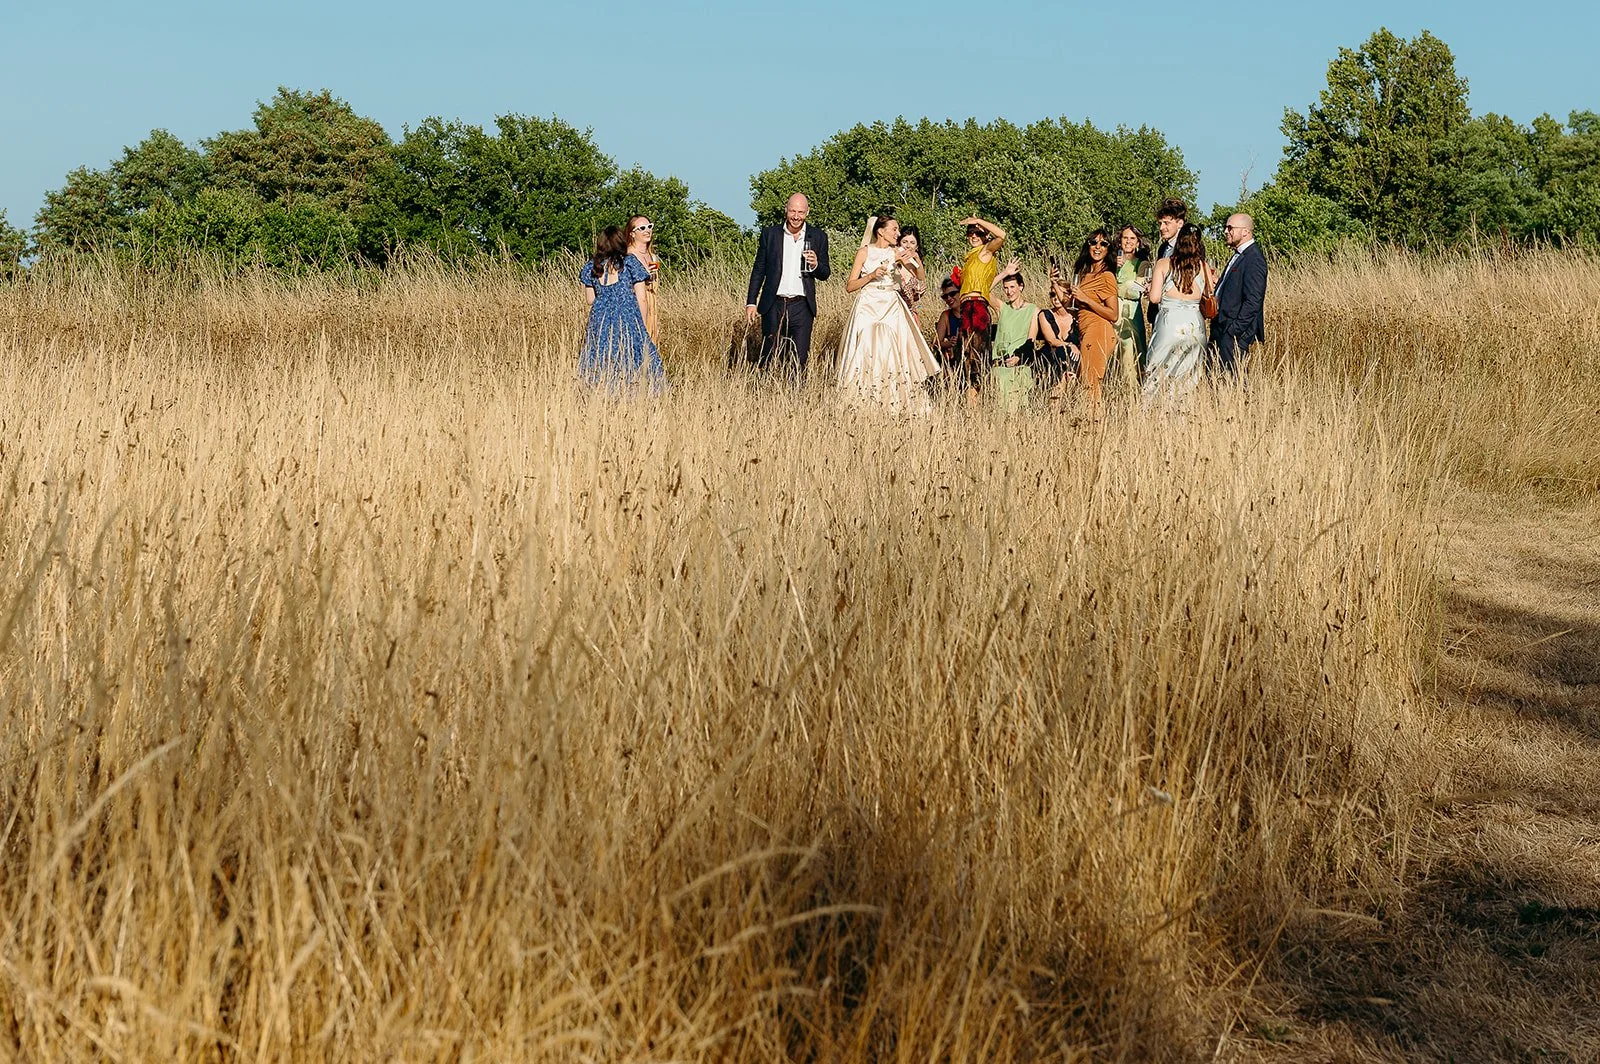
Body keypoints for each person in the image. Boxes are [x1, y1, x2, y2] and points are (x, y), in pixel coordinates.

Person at [835, 211, 940, 411]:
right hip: (867, 305)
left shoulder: (896, 252)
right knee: (865, 349)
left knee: (894, 349)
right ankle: (861, 402)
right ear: (881, 232)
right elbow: (850, 285)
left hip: (891, 305)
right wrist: (872, 275)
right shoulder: (864, 252)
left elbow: (919, 276)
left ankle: (896, 400)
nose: (898, 233)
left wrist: (915, 259)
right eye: (894, 229)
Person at [744, 193, 831, 381]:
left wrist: (815, 265)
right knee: (769, 355)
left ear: (807, 212)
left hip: (802, 306)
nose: (796, 216)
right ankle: (765, 396)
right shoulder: (770, 234)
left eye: (800, 212)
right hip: (773, 303)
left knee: (799, 359)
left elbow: (825, 273)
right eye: (793, 211)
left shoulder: (818, 237)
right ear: (786, 210)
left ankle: (795, 401)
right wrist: (751, 302)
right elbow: (759, 269)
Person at [579, 225, 665, 389]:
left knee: (600, 352)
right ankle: (637, 390)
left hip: (600, 317)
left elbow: (590, 300)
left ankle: (599, 389)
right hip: (627, 314)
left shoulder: (591, 266)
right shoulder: (630, 263)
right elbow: (642, 298)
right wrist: (643, 323)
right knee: (633, 353)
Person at [1142, 222, 1209, 403]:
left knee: (1157, 371)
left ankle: (1152, 411)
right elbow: (1210, 293)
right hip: (1195, 324)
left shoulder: (1164, 264)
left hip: (1170, 322)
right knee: (1188, 376)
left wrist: (1150, 291)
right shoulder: (1203, 267)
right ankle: (1181, 416)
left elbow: (1155, 298)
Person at [1065, 229, 1120, 414]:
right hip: (1085, 329)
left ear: (1108, 249)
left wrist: (1086, 299)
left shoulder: (1107, 276)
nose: (1098, 247)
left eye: (1103, 244)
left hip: (1099, 330)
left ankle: (1095, 423)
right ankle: (1088, 422)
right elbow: (1071, 307)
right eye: (1094, 242)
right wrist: (1056, 284)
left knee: (1091, 382)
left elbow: (1113, 314)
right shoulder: (1084, 274)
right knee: (1085, 381)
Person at [1211, 213, 1267, 374]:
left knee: (1234, 378)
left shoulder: (1253, 258)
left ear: (1245, 232)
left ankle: (1240, 401)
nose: (1225, 231)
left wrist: (1234, 330)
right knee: (1218, 376)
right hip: (1222, 327)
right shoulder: (1239, 255)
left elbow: (1254, 300)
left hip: (1234, 331)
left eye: (1230, 228)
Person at [953, 215, 1006, 354]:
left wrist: (978, 221)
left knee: (978, 346)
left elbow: (1001, 236)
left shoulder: (985, 251)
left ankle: (979, 374)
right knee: (965, 348)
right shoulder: (970, 258)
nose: (974, 236)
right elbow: (986, 287)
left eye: (979, 233)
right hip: (966, 305)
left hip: (977, 304)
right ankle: (967, 374)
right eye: (970, 232)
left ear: (986, 235)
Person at [989, 263, 1037, 411]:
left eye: (1012, 287)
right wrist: (1004, 273)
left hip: (1019, 367)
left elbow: (1031, 340)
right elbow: (983, 289)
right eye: (1006, 288)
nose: (1009, 292)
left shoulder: (1033, 310)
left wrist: (1019, 357)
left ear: (1020, 287)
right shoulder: (1002, 307)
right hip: (999, 368)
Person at [1113, 225, 1150, 388]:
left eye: (1132, 238)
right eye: (1125, 238)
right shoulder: (1111, 261)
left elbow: (1137, 291)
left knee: (1130, 353)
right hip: (1112, 313)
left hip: (1131, 314)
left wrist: (1118, 288)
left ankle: (1132, 392)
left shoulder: (1143, 264)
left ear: (1138, 242)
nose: (1128, 242)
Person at [1147, 199, 1187, 329]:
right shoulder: (1163, 248)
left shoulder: (1191, 248)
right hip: (1159, 313)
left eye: (1166, 223)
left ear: (1180, 223)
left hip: (1179, 315)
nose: (1161, 228)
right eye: (1160, 223)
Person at [1035, 281, 1079, 402]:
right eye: (1052, 294)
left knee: (1072, 358)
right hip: (1052, 356)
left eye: (1060, 294)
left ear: (1069, 296)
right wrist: (1070, 345)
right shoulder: (1045, 314)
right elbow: (1052, 340)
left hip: (1073, 359)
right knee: (1063, 352)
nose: (1055, 298)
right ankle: (1058, 403)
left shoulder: (1077, 316)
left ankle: (1064, 401)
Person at [624, 215, 661, 345]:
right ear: (632, 234)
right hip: (635, 305)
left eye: (649, 226)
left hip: (652, 307)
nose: (647, 230)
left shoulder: (653, 257)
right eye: (642, 228)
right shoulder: (627, 256)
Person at [895, 225, 928, 307]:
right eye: (904, 242)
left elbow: (921, 279)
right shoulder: (893, 257)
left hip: (909, 307)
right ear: (899, 243)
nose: (908, 246)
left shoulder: (914, 263)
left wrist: (916, 257)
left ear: (916, 247)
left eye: (912, 243)